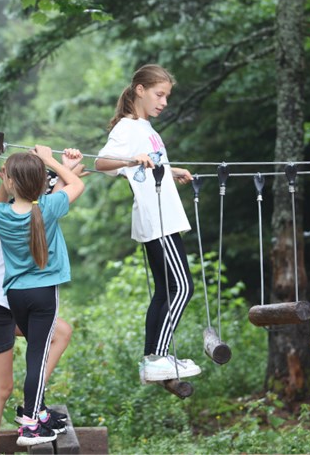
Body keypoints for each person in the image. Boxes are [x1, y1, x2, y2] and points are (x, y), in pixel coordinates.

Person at [94, 64, 199, 383]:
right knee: (182, 288)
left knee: (166, 290)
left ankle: (152, 359)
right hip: (157, 218)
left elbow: (150, 167)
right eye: (159, 94)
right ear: (140, 90)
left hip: (163, 215)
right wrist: (128, 160)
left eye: (166, 96)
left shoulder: (146, 129)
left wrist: (172, 170)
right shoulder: (127, 128)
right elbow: (100, 163)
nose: (164, 102)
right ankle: (160, 356)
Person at [0, 146, 84, 445]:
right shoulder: (49, 207)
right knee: (37, 360)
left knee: (36, 354)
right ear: (43, 182)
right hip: (43, 294)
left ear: (10, 182)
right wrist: (51, 160)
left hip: (16, 294)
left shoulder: (0, 215)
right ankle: (30, 423)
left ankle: (38, 413)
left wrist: (5, 183)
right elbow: (77, 184)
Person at [0, 234, 73, 454]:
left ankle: (32, 405)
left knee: (61, 332)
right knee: (0, 389)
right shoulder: (17, 215)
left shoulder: (20, 212)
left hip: (4, 305)